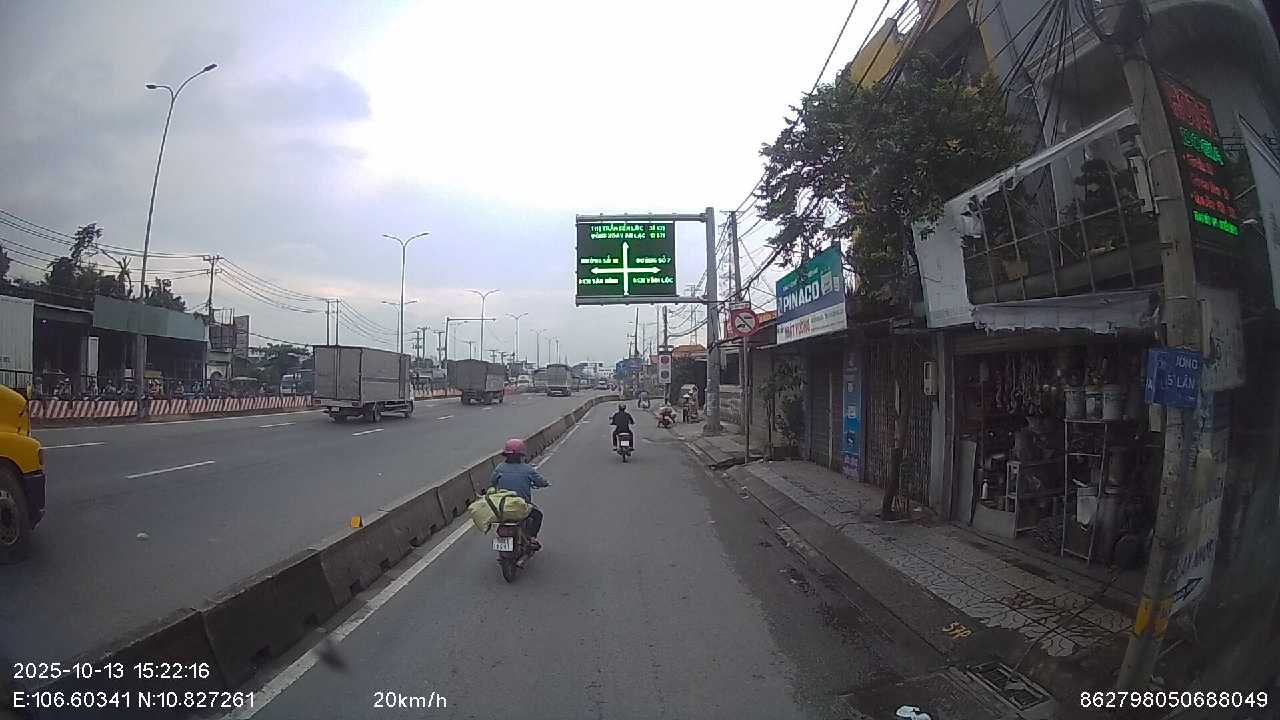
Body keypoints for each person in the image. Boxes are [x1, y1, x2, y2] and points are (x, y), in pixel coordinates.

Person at [490, 438, 548, 548]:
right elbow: (540, 482)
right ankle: (532, 538)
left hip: (503, 506)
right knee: (538, 515)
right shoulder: (527, 469)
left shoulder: (499, 468)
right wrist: (545, 484)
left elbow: (492, 481)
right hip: (522, 506)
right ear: (521, 455)